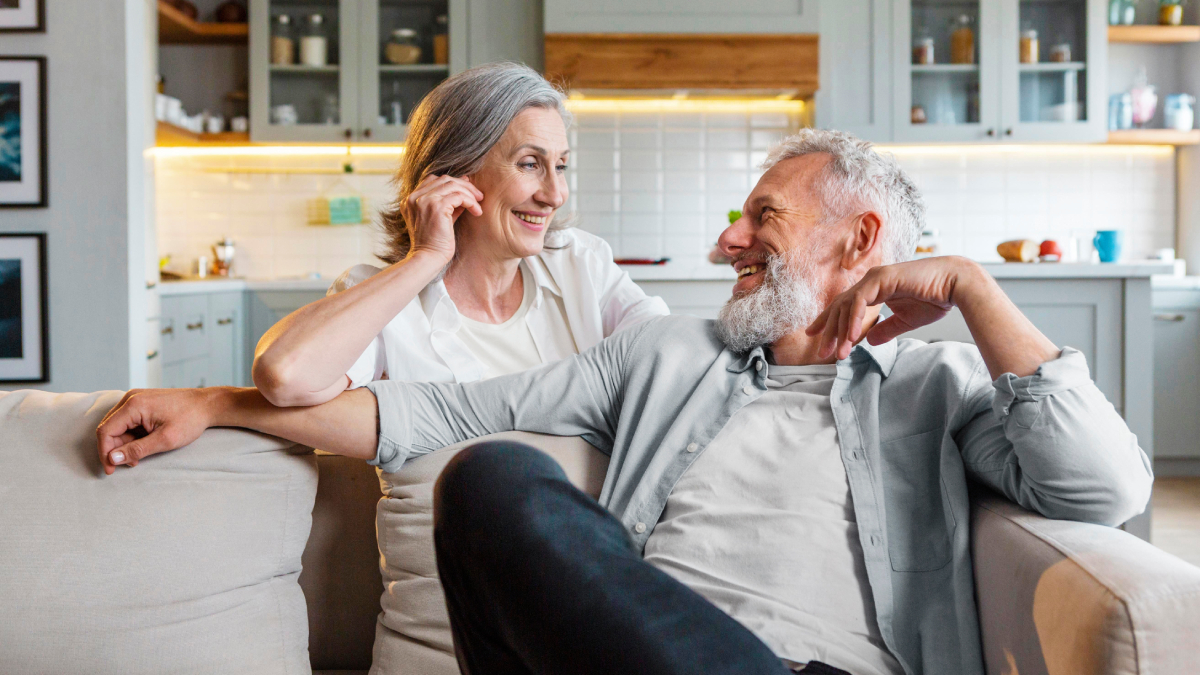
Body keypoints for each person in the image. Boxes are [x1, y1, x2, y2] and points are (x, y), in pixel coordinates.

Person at [97, 129, 1152, 675]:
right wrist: (221, 401)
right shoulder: (663, 352)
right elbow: (427, 416)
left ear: (860, 241)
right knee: (494, 477)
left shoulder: (936, 387)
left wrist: (972, 288)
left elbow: (1101, 486)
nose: (725, 243)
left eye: (760, 218)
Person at [250, 62, 667, 409]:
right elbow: (284, 376)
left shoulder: (579, 261)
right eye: (528, 164)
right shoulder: (384, 301)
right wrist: (426, 257)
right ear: (454, 172)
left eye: (560, 165)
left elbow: (669, 355)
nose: (554, 195)